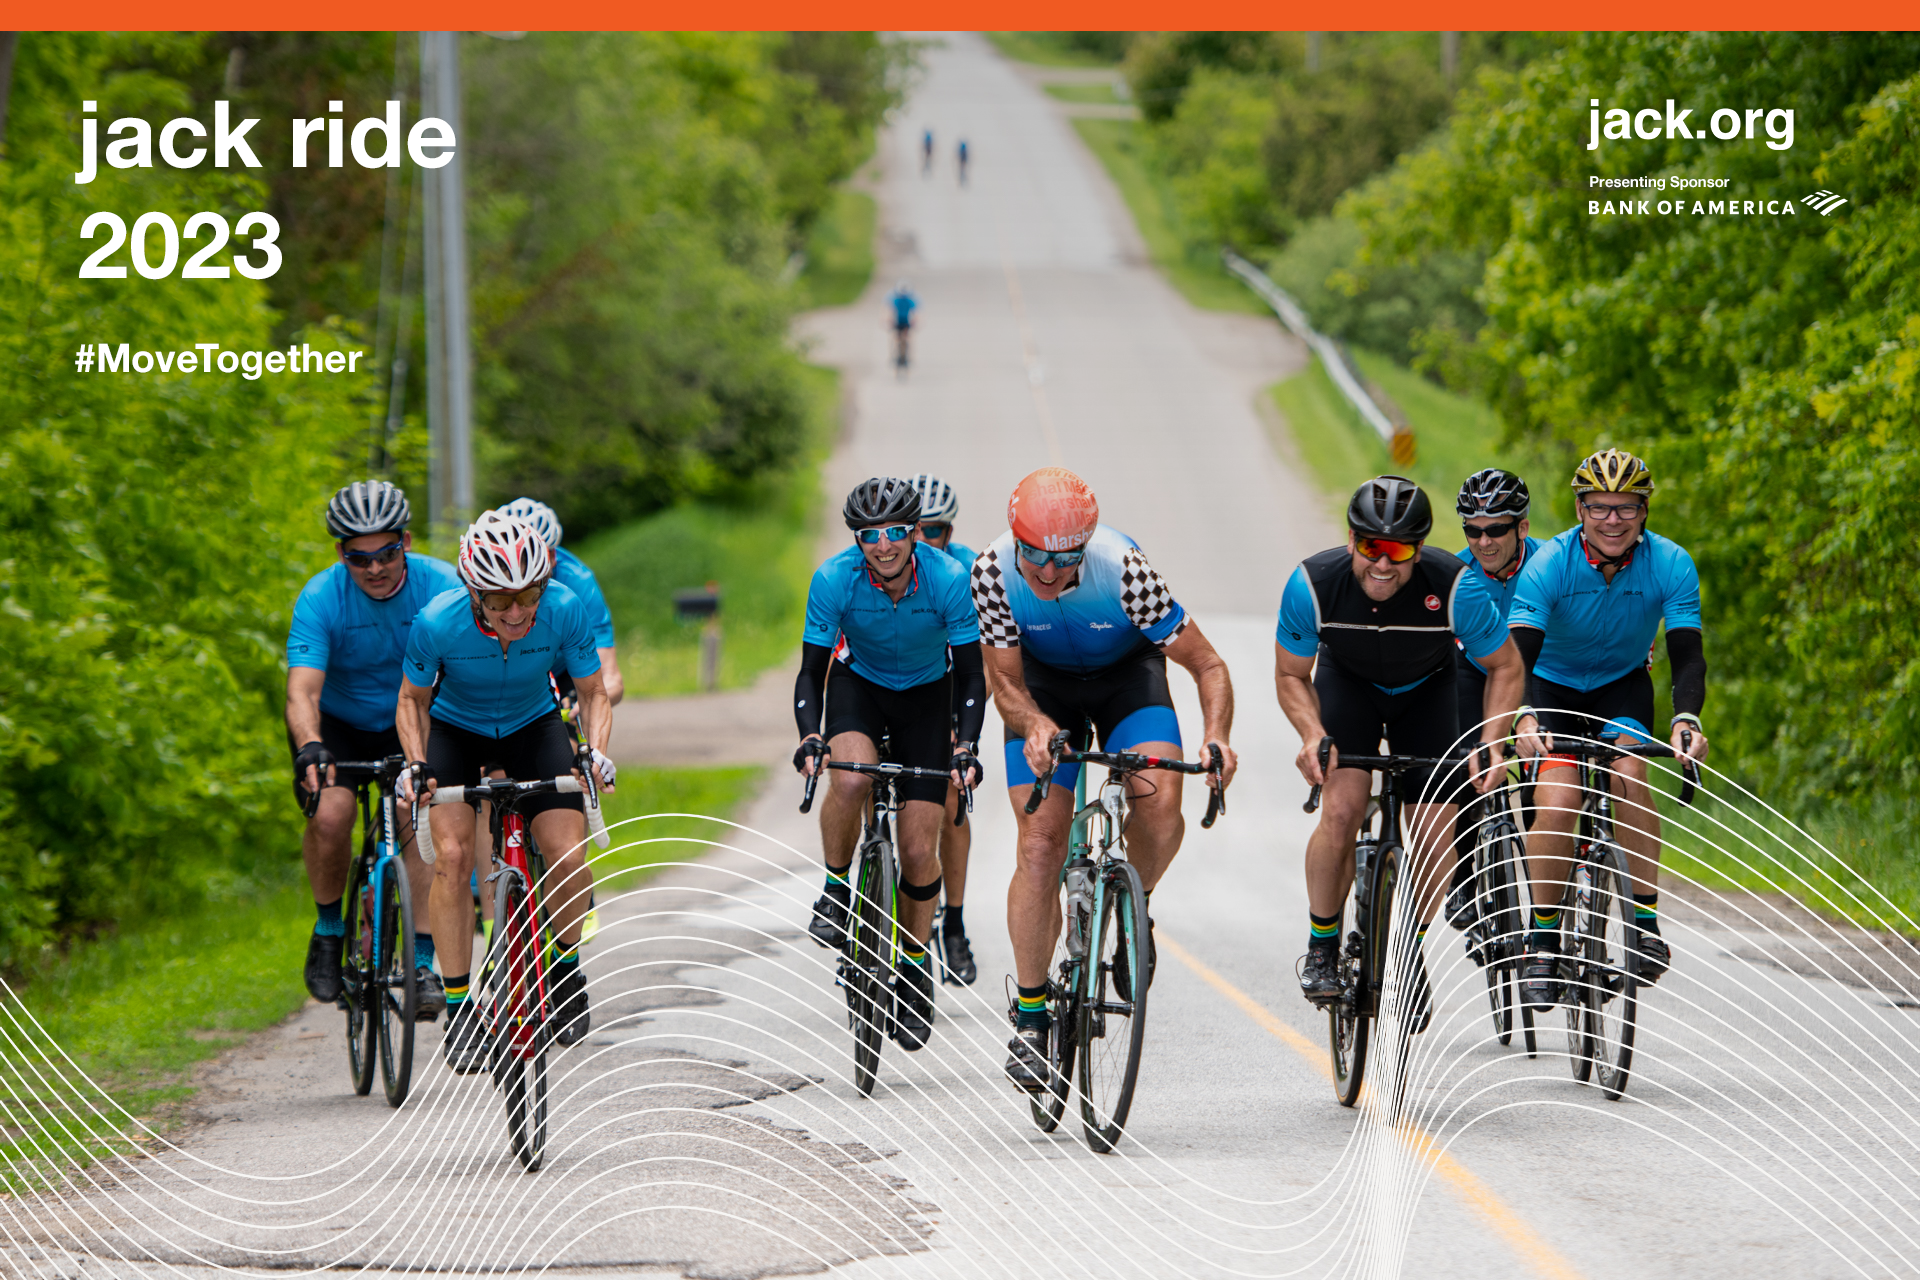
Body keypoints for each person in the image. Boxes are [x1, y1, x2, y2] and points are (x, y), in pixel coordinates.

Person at [975, 468, 1237, 1091]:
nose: (1043, 568)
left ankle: (1131, 900)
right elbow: (1005, 685)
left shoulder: (1125, 570)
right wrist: (1035, 727)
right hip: (1041, 687)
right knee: (1040, 842)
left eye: (1060, 557)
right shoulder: (991, 572)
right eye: (1031, 551)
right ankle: (1033, 1017)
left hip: (1125, 678)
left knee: (1161, 801)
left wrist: (1217, 735)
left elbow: (1207, 664)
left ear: (1084, 547)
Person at [1279, 476, 1525, 1030]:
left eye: (1400, 551)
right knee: (1340, 809)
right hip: (1349, 687)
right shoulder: (1313, 584)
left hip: (1427, 692)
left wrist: (1492, 742)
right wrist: (1311, 732)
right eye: (1372, 547)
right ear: (1351, 541)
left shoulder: (1457, 586)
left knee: (1438, 831)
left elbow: (1506, 666)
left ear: (1419, 550)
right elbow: (1292, 675)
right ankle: (1322, 943)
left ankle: (1403, 942)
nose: (1383, 565)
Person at [394, 510, 617, 1073]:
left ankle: (564, 965)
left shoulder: (565, 608)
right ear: (474, 592)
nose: (516, 612)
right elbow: (412, 701)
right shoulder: (436, 621)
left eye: (527, 595)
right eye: (498, 601)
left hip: (533, 726)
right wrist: (418, 766)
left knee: (567, 854)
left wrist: (592, 752)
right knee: (452, 855)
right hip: (456, 732)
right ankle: (461, 1005)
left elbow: (593, 693)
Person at [1509, 449, 1709, 1009]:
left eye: (1626, 508)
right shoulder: (1549, 563)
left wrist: (1686, 718)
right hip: (1549, 688)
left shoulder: (1671, 564)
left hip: (1621, 690)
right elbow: (1517, 658)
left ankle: (1643, 926)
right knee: (1561, 792)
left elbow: (1687, 655)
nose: (1613, 520)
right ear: (1579, 509)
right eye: (1600, 508)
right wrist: (1522, 715)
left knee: (1630, 773)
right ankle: (1543, 937)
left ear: (1644, 512)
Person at [795, 478, 987, 1052]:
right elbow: (811, 672)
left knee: (919, 848)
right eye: (869, 535)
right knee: (851, 777)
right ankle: (835, 886)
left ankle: (911, 963)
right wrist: (811, 736)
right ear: (857, 538)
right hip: (862, 686)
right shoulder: (833, 578)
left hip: (929, 697)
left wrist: (966, 745)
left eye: (895, 533)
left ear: (914, 532)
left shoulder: (950, 580)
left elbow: (973, 674)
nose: (883, 546)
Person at [286, 480, 460, 1021]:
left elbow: (463, 670)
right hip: (338, 724)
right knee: (333, 813)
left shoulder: (443, 586)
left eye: (386, 553)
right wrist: (311, 746)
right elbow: (302, 691)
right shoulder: (321, 597)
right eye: (359, 558)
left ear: (406, 541)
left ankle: (424, 960)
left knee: (418, 812)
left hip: (415, 718)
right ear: (342, 554)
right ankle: (329, 930)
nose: (375, 568)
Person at [1443, 469, 1543, 934]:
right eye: (1472, 530)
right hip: (1475, 672)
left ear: (1522, 527)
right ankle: (1464, 875)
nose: (1483, 541)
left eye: (1496, 529)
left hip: (1539, 669)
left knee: (1544, 766)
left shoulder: (1549, 564)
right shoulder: (1456, 577)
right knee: (1466, 754)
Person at [907, 472, 979, 984]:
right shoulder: (882, 565)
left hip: (950, 688)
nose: (921, 540)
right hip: (894, 685)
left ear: (949, 534)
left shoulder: (968, 571)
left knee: (951, 797)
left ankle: (953, 921)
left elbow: (985, 665)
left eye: (933, 530)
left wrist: (964, 735)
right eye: (913, 529)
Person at [500, 497, 625, 706]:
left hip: (560, 671)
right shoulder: (480, 582)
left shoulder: (579, 582)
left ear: (553, 555)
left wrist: (589, 703)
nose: (527, 571)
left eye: (538, 556)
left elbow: (610, 677)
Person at [889, 281, 917, 372]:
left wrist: (915, 320)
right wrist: (889, 319)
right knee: (895, 338)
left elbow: (915, 313)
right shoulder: (897, 300)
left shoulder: (908, 301)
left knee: (908, 338)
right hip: (898, 322)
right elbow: (890, 311)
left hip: (905, 322)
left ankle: (909, 356)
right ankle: (894, 355)